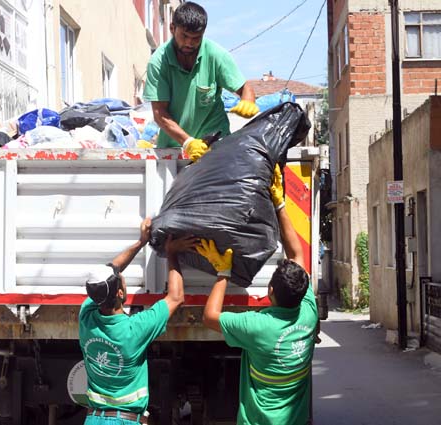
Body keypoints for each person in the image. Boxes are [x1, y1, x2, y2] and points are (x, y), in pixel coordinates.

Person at [199, 165, 318, 425]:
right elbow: (298, 256)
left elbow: (210, 317)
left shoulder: (259, 326)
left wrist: (223, 271)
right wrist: (280, 203)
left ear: (270, 291)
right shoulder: (307, 314)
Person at [79, 217, 195, 424]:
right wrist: (171, 253)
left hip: (94, 419)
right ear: (121, 293)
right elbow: (176, 297)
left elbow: (112, 270)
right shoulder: (134, 329)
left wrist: (140, 243)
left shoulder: (86, 317)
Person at [143, 1, 259, 162]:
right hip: (174, 149)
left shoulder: (216, 55)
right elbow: (159, 113)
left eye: (196, 38)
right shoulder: (158, 62)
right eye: (184, 36)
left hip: (215, 145)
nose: (189, 43)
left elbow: (245, 88)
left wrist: (248, 101)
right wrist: (188, 142)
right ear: (172, 28)